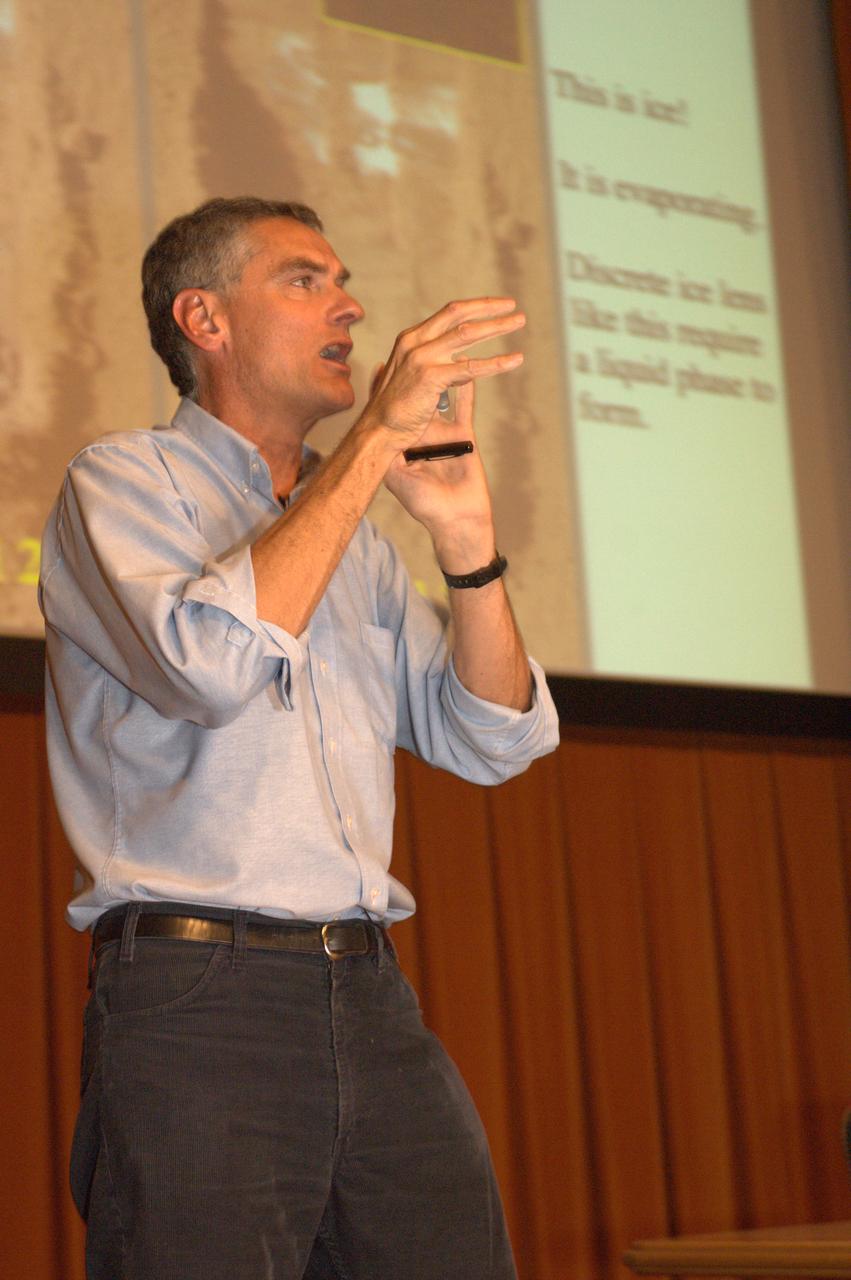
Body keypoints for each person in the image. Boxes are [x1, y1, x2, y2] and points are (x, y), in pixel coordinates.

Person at [39, 196, 559, 1280]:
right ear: (205, 318)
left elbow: (492, 735)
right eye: (305, 280)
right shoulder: (121, 483)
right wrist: (370, 440)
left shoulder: (355, 543)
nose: (350, 305)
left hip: (369, 990)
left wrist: (465, 542)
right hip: (197, 998)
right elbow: (211, 665)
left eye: (343, 281)